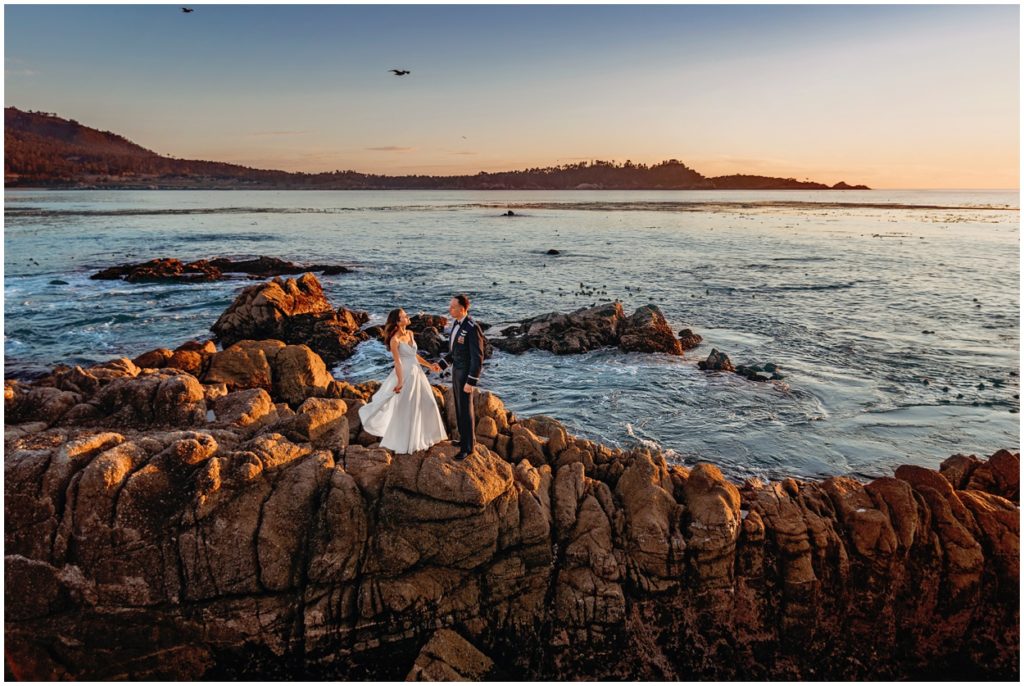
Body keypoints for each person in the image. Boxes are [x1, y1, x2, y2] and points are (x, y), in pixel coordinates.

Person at [358, 308, 448, 454]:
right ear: (398, 322)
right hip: (405, 374)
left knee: (427, 404)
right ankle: (407, 442)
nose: (407, 316)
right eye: (404, 316)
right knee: (408, 408)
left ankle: (424, 436)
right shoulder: (395, 340)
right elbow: (398, 363)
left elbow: (414, 356)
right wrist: (400, 382)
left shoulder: (411, 334)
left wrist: (430, 365)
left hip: (417, 373)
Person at [437, 294, 486, 460]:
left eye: (453, 307)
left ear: (463, 309)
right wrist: (442, 364)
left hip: (466, 375)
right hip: (456, 372)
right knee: (459, 407)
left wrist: (471, 381)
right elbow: (454, 352)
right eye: (450, 306)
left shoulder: (472, 328)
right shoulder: (456, 325)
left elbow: (477, 357)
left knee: (466, 410)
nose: (450, 309)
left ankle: (468, 448)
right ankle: (463, 440)